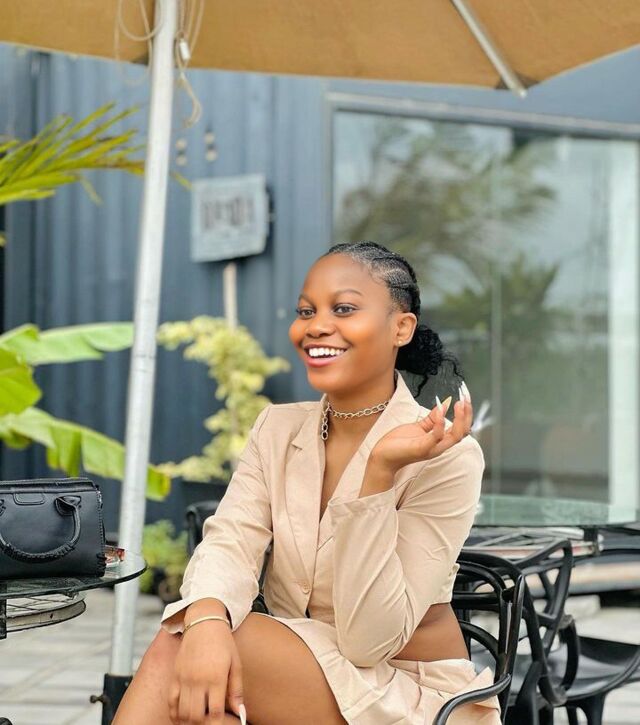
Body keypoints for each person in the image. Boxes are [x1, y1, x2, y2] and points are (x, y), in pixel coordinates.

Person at [113, 241, 500, 724]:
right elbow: (231, 540)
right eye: (306, 311)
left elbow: (368, 641)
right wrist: (208, 616)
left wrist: (378, 475)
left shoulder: (448, 456)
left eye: (344, 309)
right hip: (299, 671)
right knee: (206, 698)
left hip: (406, 691)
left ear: (401, 328)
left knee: (179, 645)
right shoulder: (276, 428)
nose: (316, 325)